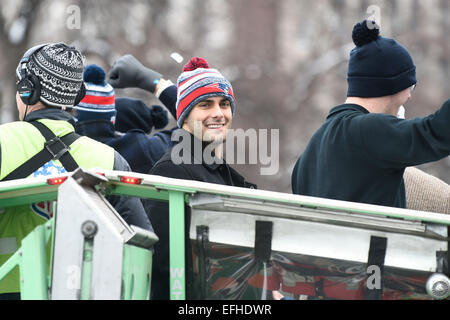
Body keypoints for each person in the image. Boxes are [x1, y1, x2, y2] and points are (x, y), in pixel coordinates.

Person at [0, 43, 152, 299]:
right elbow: (141, 241)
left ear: (28, 91)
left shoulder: (3, 141)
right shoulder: (109, 159)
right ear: (77, 96)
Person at [291, 20, 450, 209]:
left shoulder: (308, 154)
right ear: (391, 85)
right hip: (374, 239)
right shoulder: (368, 131)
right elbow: (434, 133)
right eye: (410, 86)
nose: (408, 96)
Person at [141, 57, 256, 299]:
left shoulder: (215, 169)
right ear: (185, 116)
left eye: (224, 104)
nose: (218, 113)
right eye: (205, 105)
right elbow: (166, 263)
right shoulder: (174, 169)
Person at [74, 63, 172, 174]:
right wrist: (156, 83)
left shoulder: (61, 148)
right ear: (113, 118)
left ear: (74, 116)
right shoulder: (140, 148)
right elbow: (190, 132)